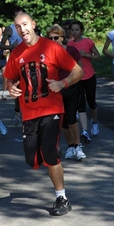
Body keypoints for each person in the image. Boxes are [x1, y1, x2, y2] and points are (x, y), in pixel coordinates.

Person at [4, 12, 84, 216]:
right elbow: (9, 79)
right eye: (17, 26)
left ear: (33, 24)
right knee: (32, 158)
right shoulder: (16, 53)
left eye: (25, 24)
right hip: (29, 112)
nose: (22, 29)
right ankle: (50, 167)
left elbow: (78, 71)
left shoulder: (51, 47)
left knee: (50, 152)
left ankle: (62, 198)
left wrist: (62, 83)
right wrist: (11, 87)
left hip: (52, 110)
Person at [47, 24, 86, 160]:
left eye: (56, 37)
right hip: (57, 89)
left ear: (62, 37)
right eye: (50, 38)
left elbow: (80, 67)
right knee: (62, 121)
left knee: (71, 118)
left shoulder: (71, 50)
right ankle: (70, 146)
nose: (53, 40)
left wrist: (75, 79)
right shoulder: (48, 53)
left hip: (72, 86)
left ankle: (78, 145)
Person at [67, 21, 101, 143]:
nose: (75, 32)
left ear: (81, 31)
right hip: (77, 78)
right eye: (73, 30)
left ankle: (95, 122)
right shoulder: (69, 45)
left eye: (77, 30)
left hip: (89, 75)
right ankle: (85, 132)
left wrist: (86, 54)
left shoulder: (88, 42)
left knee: (91, 102)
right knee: (80, 105)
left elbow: (98, 57)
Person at [1, 7, 25, 125]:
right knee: (18, 87)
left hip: (28, 60)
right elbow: (2, 45)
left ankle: (27, 112)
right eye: (17, 17)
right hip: (15, 61)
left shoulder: (28, 27)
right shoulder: (10, 29)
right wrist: (11, 47)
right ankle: (17, 110)